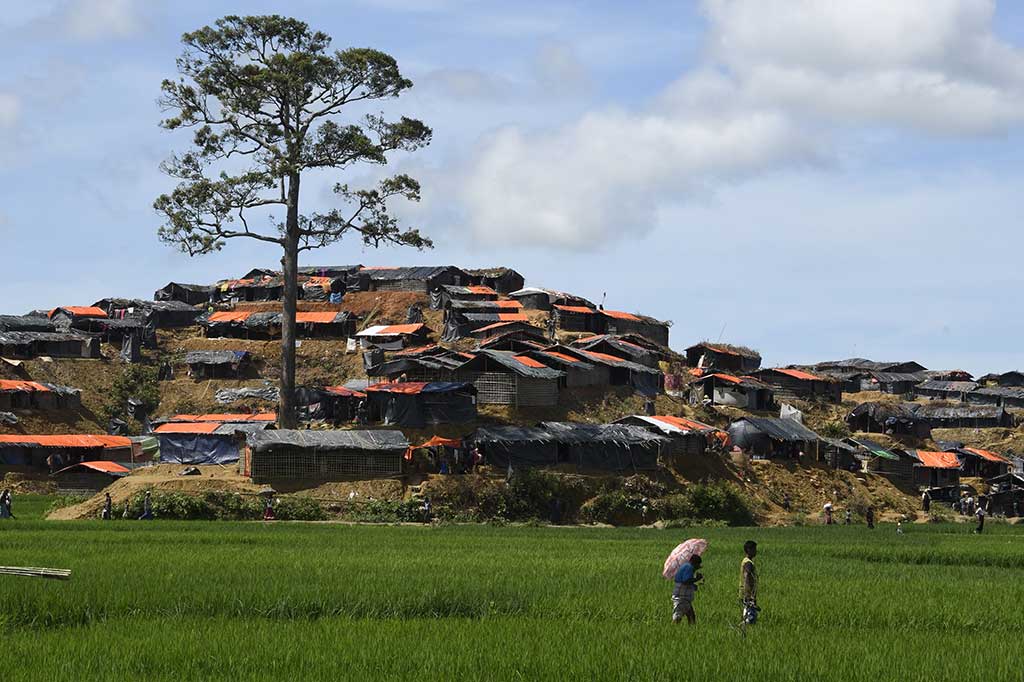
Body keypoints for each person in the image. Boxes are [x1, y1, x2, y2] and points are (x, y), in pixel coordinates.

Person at [671, 554, 703, 625]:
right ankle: (672, 629)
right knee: (678, 616)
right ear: (695, 563)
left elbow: (685, 580)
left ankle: (692, 631)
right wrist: (697, 579)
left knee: (691, 616)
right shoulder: (689, 567)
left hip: (683, 595)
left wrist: (693, 585)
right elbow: (686, 580)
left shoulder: (686, 566)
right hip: (682, 596)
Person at [740, 540, 759, 625]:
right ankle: (743, 630)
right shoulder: (748, 563)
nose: (756, 551)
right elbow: (747, 576)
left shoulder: (745, 561)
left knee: (747, 613)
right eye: (754, 549)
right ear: (748, 550)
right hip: (748, 593)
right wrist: (750, 594)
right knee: (750, 617)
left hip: (745, 592)